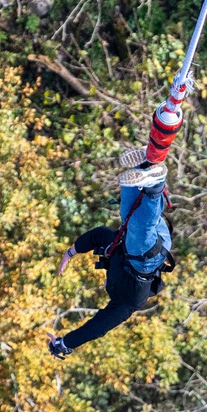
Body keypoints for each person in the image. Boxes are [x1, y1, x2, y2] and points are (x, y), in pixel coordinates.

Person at [48, 140, 174, 358]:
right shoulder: (125, 304)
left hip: (155, 237)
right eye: (106, 283)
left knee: (127, 211)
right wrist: (65, 343)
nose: (105, 282)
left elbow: (98, 234)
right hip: (146, 259)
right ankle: (155, 185)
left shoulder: (113, 249)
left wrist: (71, 252)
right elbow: (97, 327)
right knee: (138, 229)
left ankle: (146, 164)